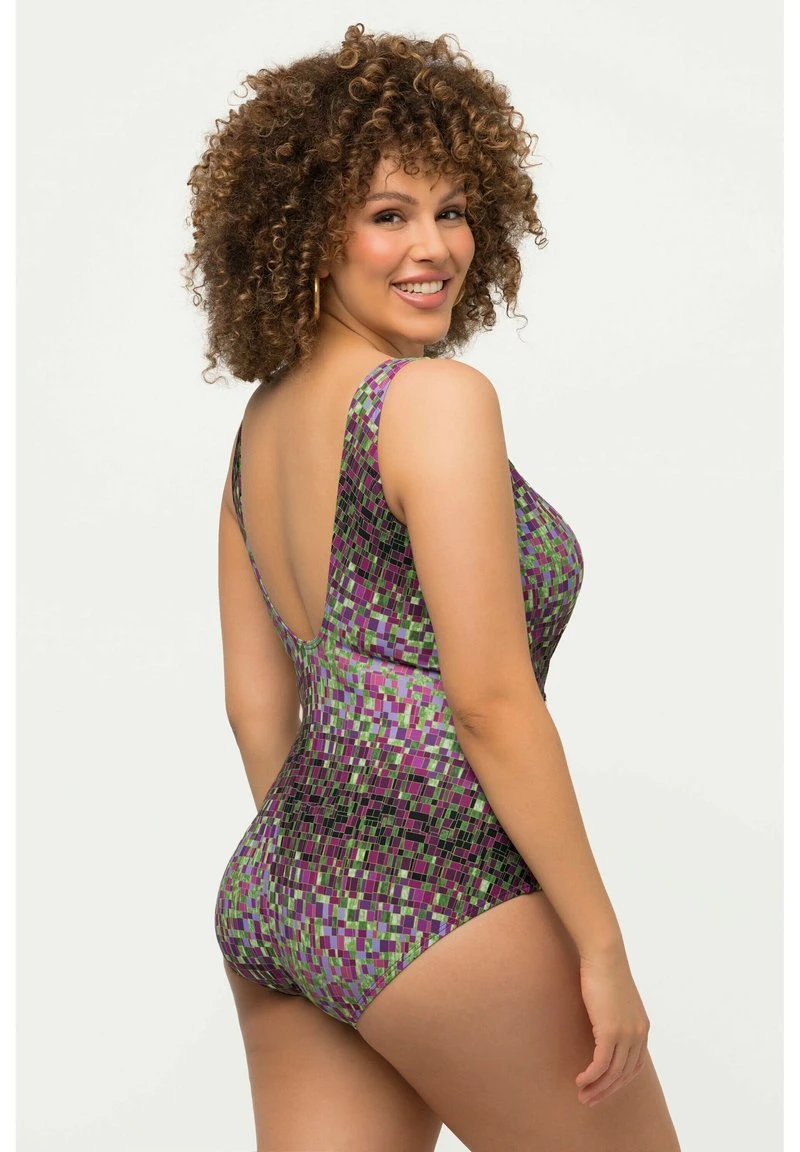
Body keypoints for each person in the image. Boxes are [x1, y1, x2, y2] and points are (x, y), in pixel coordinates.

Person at [183, 23, 681, 1152]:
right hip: (440, 889)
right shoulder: (433, 402)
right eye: (388, 213)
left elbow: (255, 708)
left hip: (279, 889)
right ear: (309, 231)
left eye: (452, 210)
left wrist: (324, 888)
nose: (434, 247)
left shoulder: (257, 431)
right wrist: (600, 945)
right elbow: (490, 703)